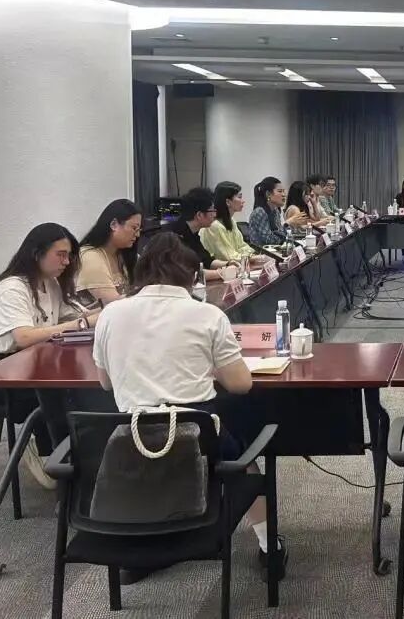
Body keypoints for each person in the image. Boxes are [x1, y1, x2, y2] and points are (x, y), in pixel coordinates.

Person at [92, 233, 286, 583]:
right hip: (195, 440)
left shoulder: (110, 314)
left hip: (130, 442)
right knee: (245, 460)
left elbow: (106, 383)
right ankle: (268, 545)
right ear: (193, 276)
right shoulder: (207, 315)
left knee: (154, 465)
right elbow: (240, 384)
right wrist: (210, 369)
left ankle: (142, 548)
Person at [0, 223, 101, 489]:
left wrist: (102, 315)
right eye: (60, 255)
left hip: (29, 362)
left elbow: (69, 317)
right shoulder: (11, 289)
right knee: (62, 391)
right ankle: (46, 450)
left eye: (69, 256)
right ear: (36, 253)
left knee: (83, 382)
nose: (67, 262)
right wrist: (82, 323)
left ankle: (83, 454)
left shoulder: (49, 284)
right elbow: (24, 337)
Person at [76, 199, 142, 305]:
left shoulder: (126, 255)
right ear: (114, 224)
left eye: (139, 230)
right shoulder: (89, 256)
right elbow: (112, 304)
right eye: (134, 228)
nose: (137, 235)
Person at [166, 187, 238, 281]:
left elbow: (207, 261)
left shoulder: (193, 233)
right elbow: (189, 274)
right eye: (212, 210)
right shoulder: (175, 236)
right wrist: (222, 273)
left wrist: (228, 264)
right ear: (199, 215)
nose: (215, 215)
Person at [200, 181, 266, 265]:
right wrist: (252, 258)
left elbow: (241, 246)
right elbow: (228, 256)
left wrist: (253, 255)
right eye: (239, 197)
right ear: (228, 202)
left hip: (235, 265)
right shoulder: (214, 225)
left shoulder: (232, 221)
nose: (243, 201)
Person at [247, 177, 288, 246]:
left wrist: (282, 235)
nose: (284, 195)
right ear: (268, 194)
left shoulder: (276, 211)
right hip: (261, 251)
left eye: (284, 191)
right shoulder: (259, 212)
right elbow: (269, 241)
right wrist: (287, 224)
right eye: (280, 191)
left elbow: (280, 234)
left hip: (276, 250)